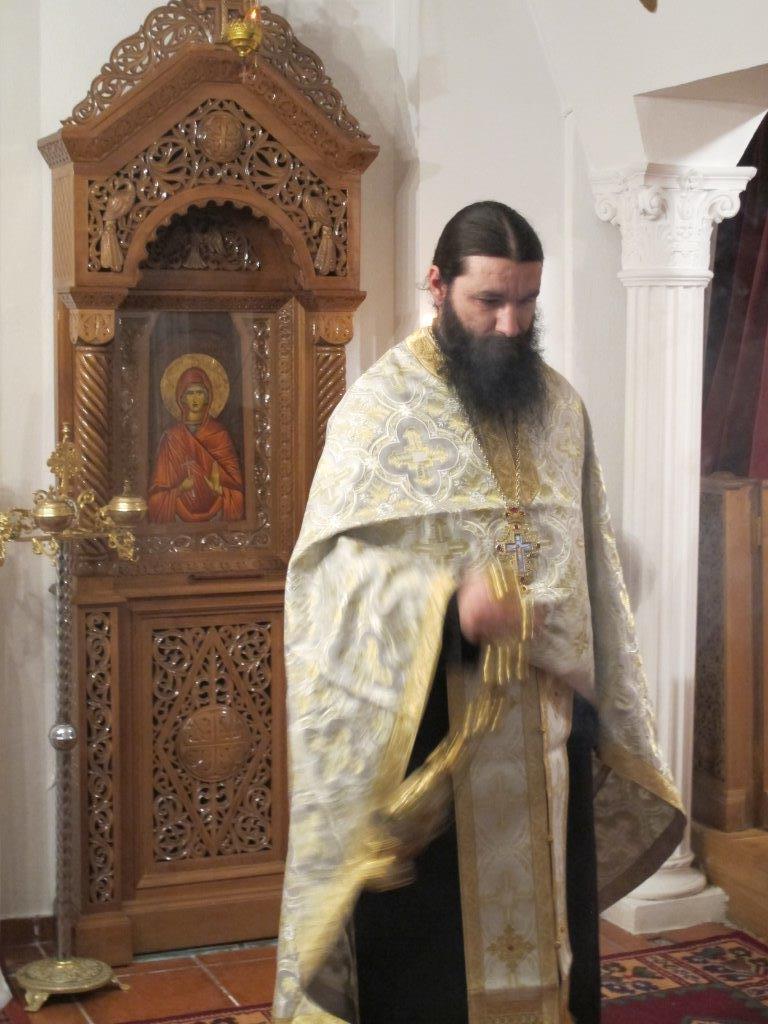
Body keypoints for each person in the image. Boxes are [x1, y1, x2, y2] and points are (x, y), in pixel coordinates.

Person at [272, 202, 684, 1024]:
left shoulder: (559, 409)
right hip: (430, 735)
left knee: (552, 952)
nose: (510, 325)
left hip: (549, 728)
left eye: (526, 302)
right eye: (488, 301)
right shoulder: (380, 410)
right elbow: (327, 577)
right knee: (431, 977)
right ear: (437, 286)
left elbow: (589, 562)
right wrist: (445, 602)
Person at [148, 364, 244, 523]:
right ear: (182, 397)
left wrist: (220, 489)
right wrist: (180, 489)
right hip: (177, 518)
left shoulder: (220, 435)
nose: (194, 398)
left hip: (217, 516)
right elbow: (155, 499)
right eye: (190, 393)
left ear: (207, 396)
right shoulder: (171, 438)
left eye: (199, 392)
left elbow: (238, 495)